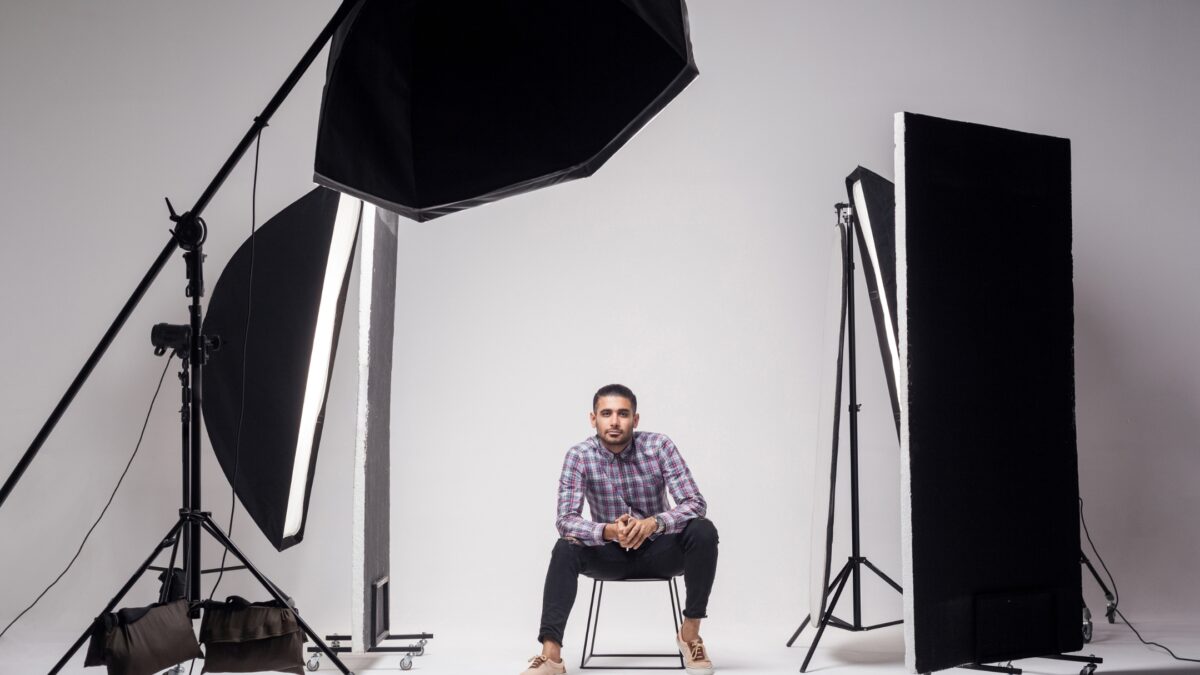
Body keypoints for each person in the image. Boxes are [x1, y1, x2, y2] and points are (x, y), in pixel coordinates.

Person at [521, 384, 719, 675]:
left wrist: (655, 522)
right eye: (607, 413)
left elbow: (695, 502)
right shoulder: (579, 456)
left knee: (703, 529)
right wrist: (608, 531)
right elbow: (566, 519)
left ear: (635, 420)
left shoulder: (659, 446)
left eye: (623, 413)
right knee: (564, 546)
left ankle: (690, 635)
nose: (614, 421)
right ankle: (551, 656)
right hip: (609, 555)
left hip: (660, 551)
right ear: (593, 419)